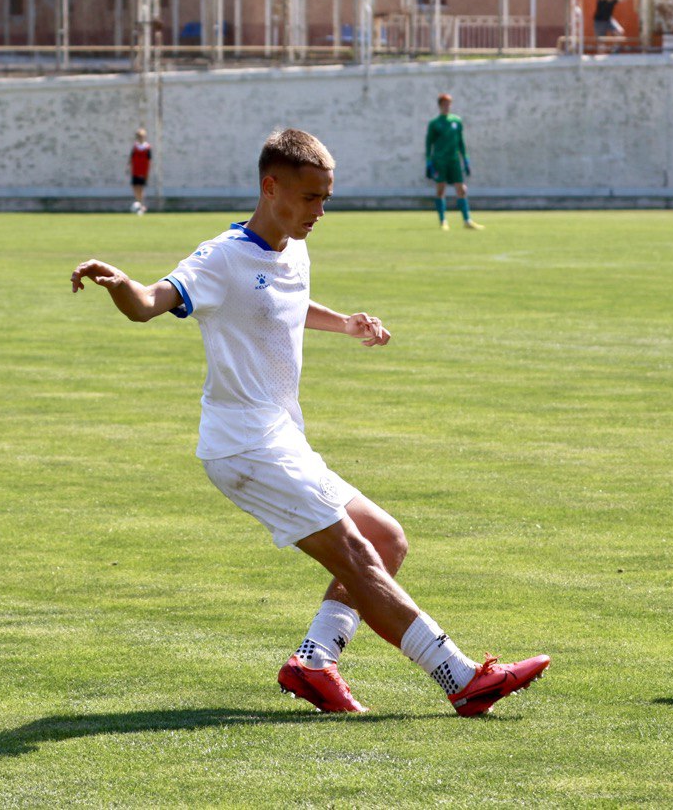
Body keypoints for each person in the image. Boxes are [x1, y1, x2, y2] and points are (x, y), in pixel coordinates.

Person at [71, 128, 548, 716]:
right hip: (243, 447)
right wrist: (123, 286)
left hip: (282, 438)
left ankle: (313, 663)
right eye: (310, 197)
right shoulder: (221, 257)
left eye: (326, 198)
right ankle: (462, 678)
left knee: (385, 539)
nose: (319, 211)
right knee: (355, 553)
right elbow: (149, 304)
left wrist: (343, 322)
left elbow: (282, 304)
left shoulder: (294, 247)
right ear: (271, 188)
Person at [425, 94, 483, 231]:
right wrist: (428, 161)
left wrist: (466, 158)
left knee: (461, 189)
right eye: (444, 104)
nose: (447, 106)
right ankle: (443, 221)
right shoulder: (434, 123)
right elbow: (429, 143)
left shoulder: (456, 121)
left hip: (454, 160)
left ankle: (467, 220)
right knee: (441, 189)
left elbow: (461, 141)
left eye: (449, 104)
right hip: (440, 160)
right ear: (440, 105)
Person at [129, 128, 152, 215]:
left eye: (142, 136)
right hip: (135, 170)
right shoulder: (135, 147)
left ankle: (141, 205)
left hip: (143, 171)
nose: (140, 138)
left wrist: (147, 172)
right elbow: (131, 158)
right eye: (138, 136)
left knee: (141, 188)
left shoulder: (147, 147)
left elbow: (149, 160)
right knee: (135, 188)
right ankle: (138, 204)